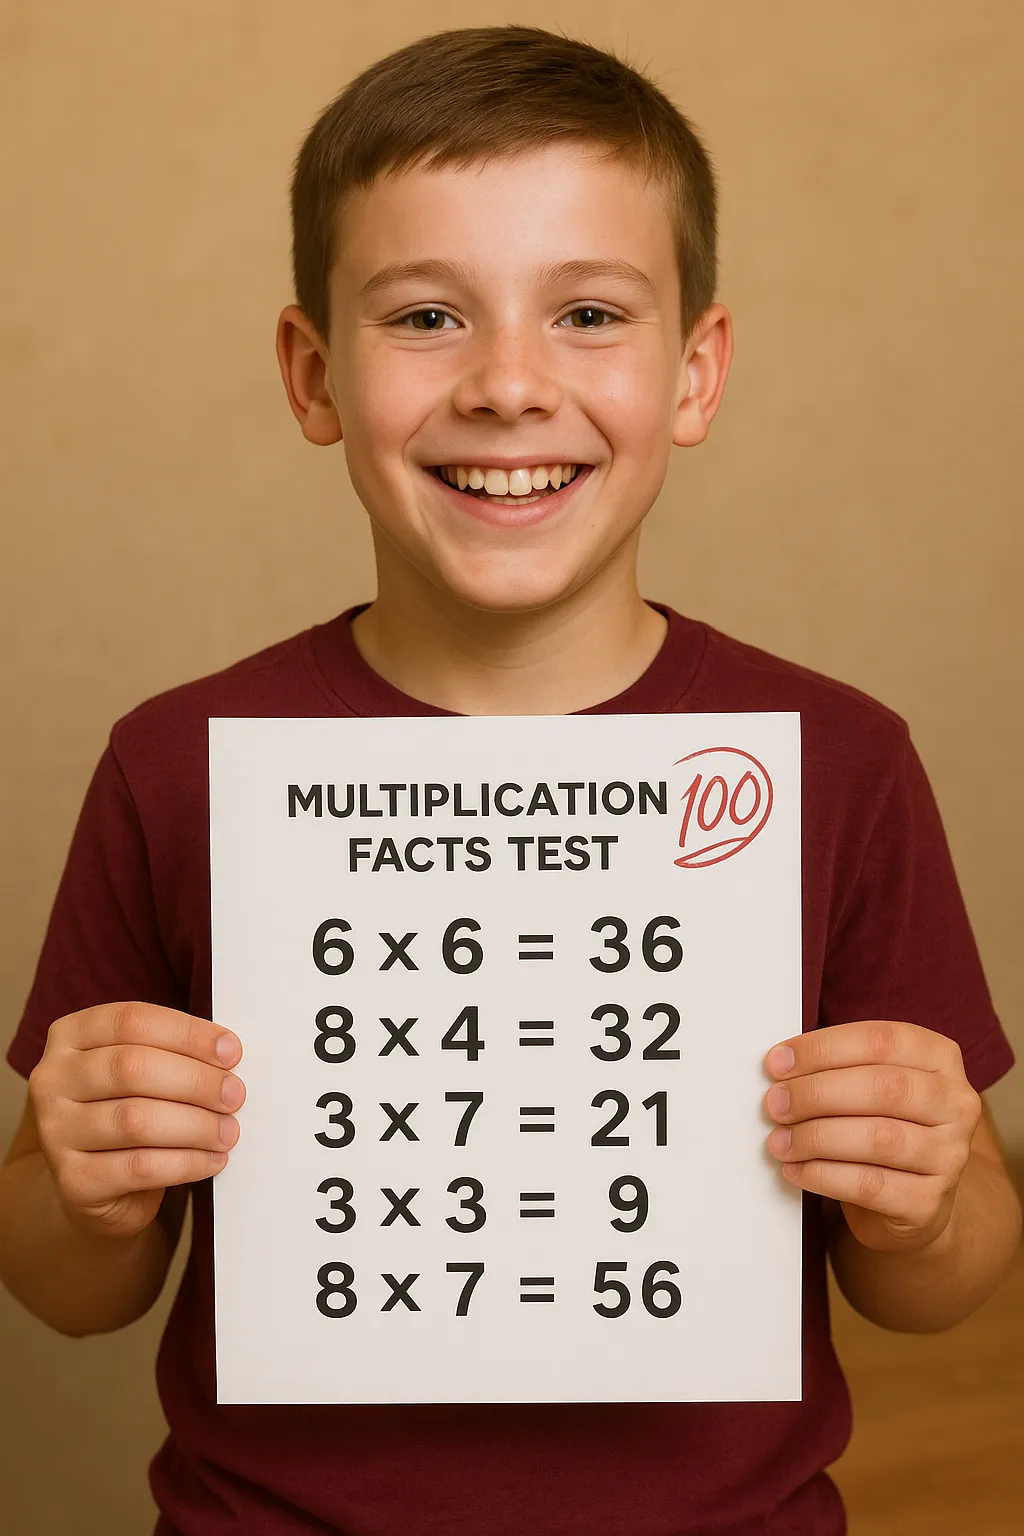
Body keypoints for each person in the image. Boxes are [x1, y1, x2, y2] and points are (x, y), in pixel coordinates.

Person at [0, 23, 1019, 1536]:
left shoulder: (842, 762)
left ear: (695, 372)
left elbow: (941, 1281)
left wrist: (926, 1199)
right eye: (426, 316)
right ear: (313, 374)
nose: (509, 386)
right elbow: (70, 1284)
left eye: (590, 313)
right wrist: (85, 1185)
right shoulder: (174, 765)